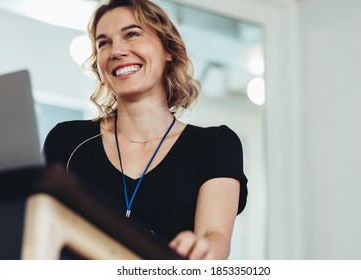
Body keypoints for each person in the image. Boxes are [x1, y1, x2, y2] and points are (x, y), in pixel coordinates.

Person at [43, 0, 247, 260]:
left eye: (132, 34)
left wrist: (202, 251)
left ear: (167, 49)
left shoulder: (215, 145)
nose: (117, 50)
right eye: (103, 42)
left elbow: (214, 237)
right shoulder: (66, 141)